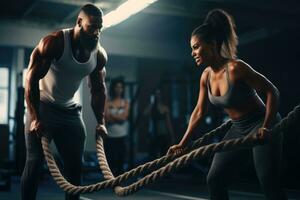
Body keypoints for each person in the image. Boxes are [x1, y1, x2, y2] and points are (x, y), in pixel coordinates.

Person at [168, 9, 286, 200]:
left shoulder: (236, 68)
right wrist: (183, 143)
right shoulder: (206, 76)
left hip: (261, 123)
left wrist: (266, 126)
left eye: (197, 47)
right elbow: (199, 111)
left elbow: (273, 91)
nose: (193, 53)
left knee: (269, 182)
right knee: (215, 179)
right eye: (192, 48)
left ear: (212, 44)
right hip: (237, 129)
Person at [21, 4, 108, 200]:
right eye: (92, 26)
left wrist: (100, 121)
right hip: (42, 105)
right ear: (79, 23)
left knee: (76, 168)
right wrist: (35, 116)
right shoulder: (54, 43)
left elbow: (98, 89)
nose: (96, 33)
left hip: (70, 111)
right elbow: (31, 80)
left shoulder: (98, 55)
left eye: (100, 28)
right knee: (34, 163)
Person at [104, 78, 129, 175]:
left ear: (123, 89)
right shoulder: (108, 103)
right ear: (113, 88)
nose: (119, 89)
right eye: (117, 87)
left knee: (120, 162)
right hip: (110, 136)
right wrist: (118, 116)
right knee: (110, 161)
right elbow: (106, 119)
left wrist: (112, 114)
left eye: (121, 87)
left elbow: (124, 117)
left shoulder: (125, 102)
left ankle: (119, 182)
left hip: (122, 136)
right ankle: (110, 181)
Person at [145, 89, 175, 159]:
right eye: (156, 94)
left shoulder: (165, 108)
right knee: (153, 154)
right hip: (153, 134)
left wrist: (172, 135)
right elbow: (145, 113)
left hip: (163, 133)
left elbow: (168, 123)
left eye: (159, 94)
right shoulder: (152, 107)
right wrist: (151, 103)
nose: (158, 96)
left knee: (163, 153)